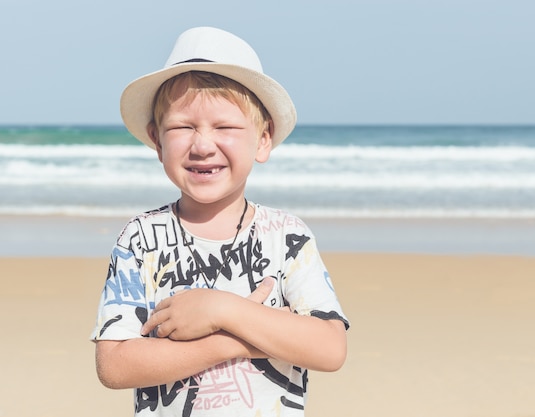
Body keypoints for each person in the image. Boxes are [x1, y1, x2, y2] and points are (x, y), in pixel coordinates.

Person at [90, 26, 349, 417]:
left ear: (263, 140)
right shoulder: (141, 238)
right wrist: (234, 339)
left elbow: (330, 348)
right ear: (157, 141)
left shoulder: (287, 236)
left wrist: (222, 310)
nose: (202, 145)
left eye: (225, 127)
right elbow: (114, 365)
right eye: (182, 127)